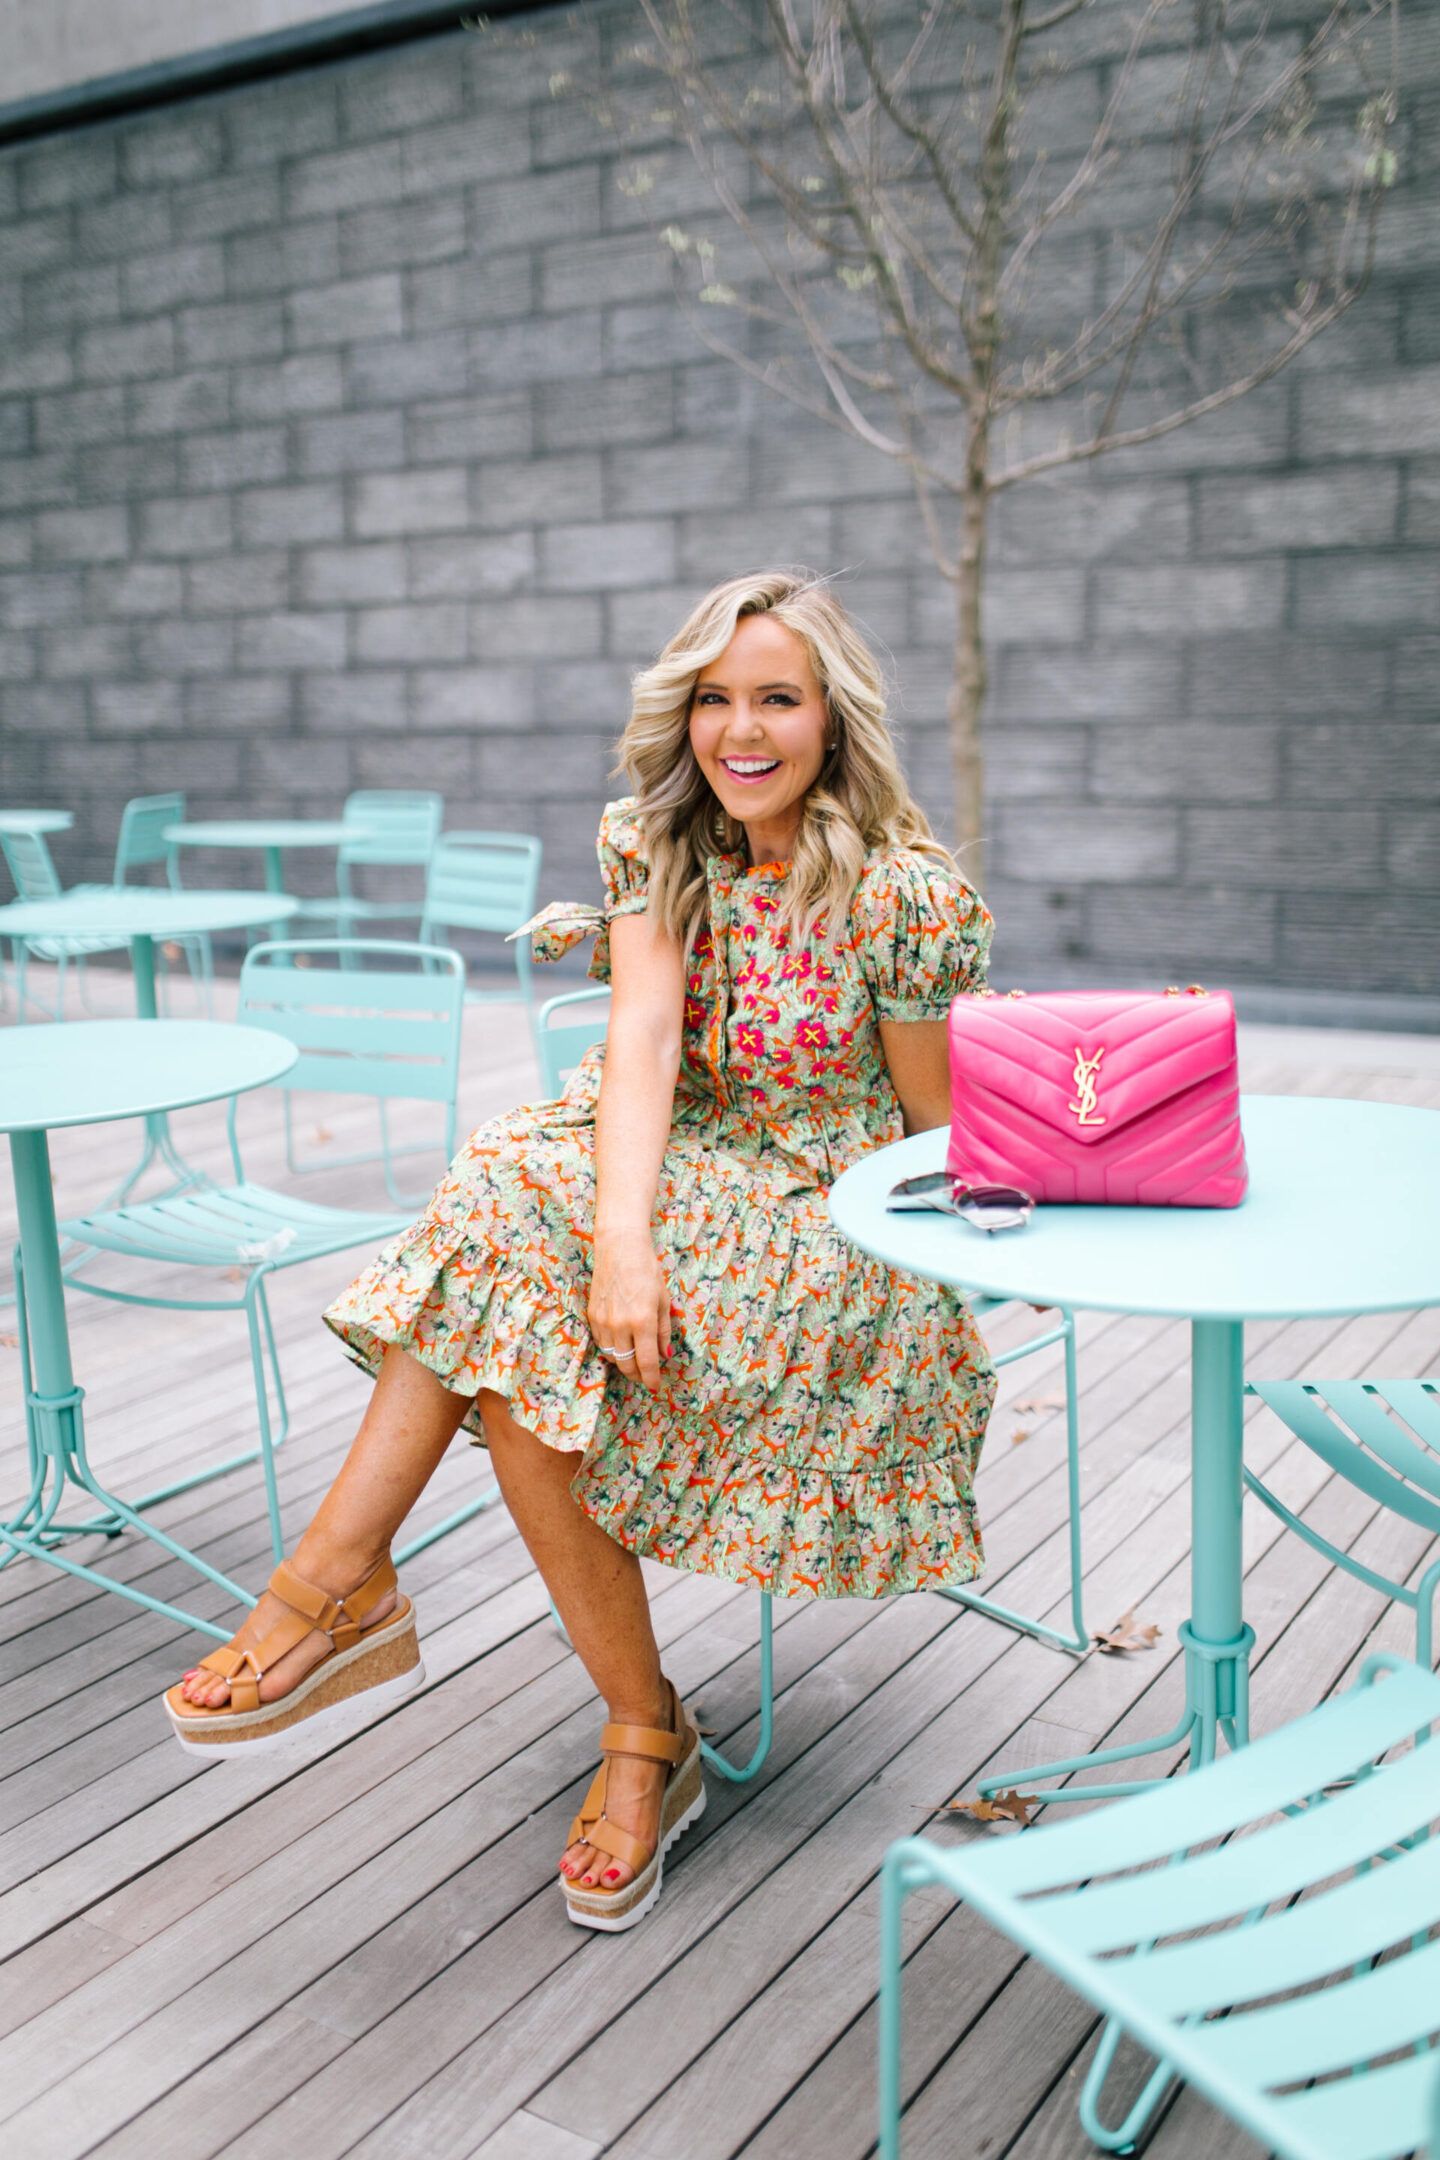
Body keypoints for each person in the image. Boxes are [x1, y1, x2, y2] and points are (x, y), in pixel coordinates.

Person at [164, 569, 997, 1933]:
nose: (740, 729)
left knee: (507, 1267)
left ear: (833, 719)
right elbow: (646, 1049)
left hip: (828, 1213)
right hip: (677, 1175)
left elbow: (928, 1130)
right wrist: (623, 1242)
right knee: (514, 1222)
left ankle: (348, 1597)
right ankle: (619, 1724)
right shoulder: (662, 847)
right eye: (713, 699)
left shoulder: (903, 894)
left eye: (776, 698)